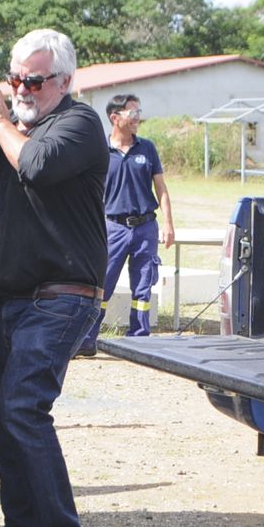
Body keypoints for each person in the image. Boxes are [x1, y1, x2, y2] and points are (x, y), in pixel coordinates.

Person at [0, 28, 105, 527]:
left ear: (64, 82)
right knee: (0, 415)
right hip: (13, 297)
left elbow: (37, 166)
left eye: (34, 80)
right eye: (15, 77)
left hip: (62, 294)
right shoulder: (19, 130)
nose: (21, 88)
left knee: (23, 405)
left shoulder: (78, 123)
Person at [97, 94, 175, 343]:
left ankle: (139, 338)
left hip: (145, 228)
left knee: (143, 286)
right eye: (132, 113)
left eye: (138, 112)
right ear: (115, 117)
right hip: (112, 228)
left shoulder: (147, 148)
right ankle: (87, 339)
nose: (137, 118)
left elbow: (161, 188)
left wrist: (168, 224)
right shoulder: (100, 150)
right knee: (102, 284)